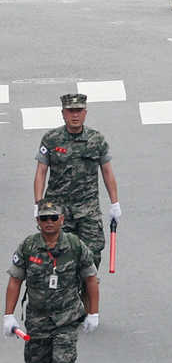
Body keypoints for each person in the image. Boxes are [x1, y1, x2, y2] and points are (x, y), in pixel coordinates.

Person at [5, 199, 100, 363]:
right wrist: (8, 315)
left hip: (66, 321)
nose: (49, 221)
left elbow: (90, 279)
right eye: (44, 218)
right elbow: (15, 280)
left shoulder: (75, 246)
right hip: (37, 323)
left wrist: (93, 313)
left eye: (54, 217)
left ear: (62, 220)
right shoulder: (28, 246)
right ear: (38, 221)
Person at [34, 93, 119, 267]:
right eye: (70, 111)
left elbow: (107, 172)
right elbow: (41, 172)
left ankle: (87, 293)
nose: (75, 115)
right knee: (58, 257)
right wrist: (38, 204)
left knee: (92, 256)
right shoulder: (52, 139)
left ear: (85, 113)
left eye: (79, 110)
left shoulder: (96, 139)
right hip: (58, 211)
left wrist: (114, 204)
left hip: (88, 210)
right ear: (63, 113)